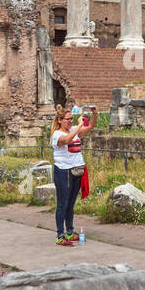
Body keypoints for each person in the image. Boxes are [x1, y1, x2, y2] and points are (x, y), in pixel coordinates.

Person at [50, 103, 94, 247]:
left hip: (76, 170)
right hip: (63, 171)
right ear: (60, 121)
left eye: (71, 119)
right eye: (68, 119)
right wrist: (78, 126)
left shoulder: (73, 131)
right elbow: (67, 140)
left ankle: (69, 231)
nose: (70, 121)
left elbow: (90, 127)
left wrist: (95, 114)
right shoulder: (57, 135)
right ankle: (60, 235)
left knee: (71, 203)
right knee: (62, 204)